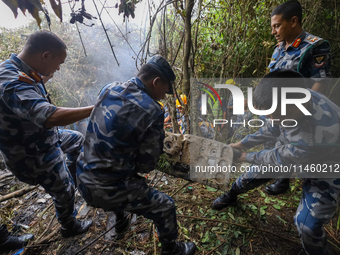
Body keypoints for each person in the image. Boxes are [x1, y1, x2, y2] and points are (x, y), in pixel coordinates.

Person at [76, 55, 196, 255]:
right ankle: (172, 250)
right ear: (155, 81)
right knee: (166, 206)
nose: (164, 95)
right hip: (106, 190)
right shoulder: (152, 110)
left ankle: (120, 219)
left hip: (81, 179)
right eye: (164, 90)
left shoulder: (108, 88)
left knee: (116, 171)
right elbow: (145, 166)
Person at [212, 69, 340, 255]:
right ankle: (232, 194)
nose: (271, 119)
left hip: (327, 166)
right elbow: (271, 128)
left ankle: (314, 250)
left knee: (307, 225)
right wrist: (242, 143)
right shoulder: (290, 99)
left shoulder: (314, 135)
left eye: (274, 114)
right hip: (294, 149)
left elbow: (278, 158)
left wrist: (243, 157)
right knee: (249, 177)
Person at [0, 31, 93, 238]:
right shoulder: (11, 81)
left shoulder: (24, 70)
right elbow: (49, 116)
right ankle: (69, 226)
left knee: (77, 140)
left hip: (45, 138)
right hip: (31, 154)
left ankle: (73, 179)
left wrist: (45, 78)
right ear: (45, 56)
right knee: (65, 191)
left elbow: (32, 92)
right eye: (58, 63)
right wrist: (95, 108)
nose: (58, 69)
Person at [266, 0, 332, 195]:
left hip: (298, 107)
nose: (274, 31)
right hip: (276, 106)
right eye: (272, 27)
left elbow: (320, 82)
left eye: (277, 26)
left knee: (295, 144)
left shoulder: (314, 46)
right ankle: (280, 177)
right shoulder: (279, 48)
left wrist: (303, 110)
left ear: (293, 21)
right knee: (274, 140)